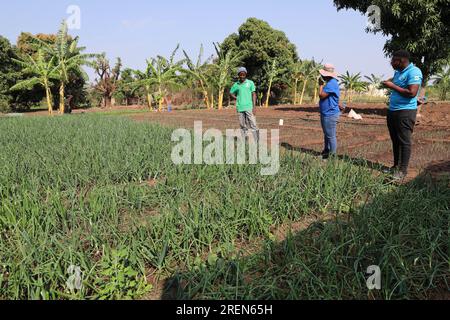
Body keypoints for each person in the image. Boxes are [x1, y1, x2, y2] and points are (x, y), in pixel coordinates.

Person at [382, 50, 423, 180]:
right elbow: (399, 85)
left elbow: (412, 92)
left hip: (405, 112)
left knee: (404, 141)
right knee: (395, 140)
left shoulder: (414, 71)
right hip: (393, 111)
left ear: (402, 60)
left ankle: (402, 171)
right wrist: (391, 82)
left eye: (394, 61)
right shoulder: (398, 72)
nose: (391, 63)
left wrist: (392, 86)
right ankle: (395, 166)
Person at [318, 63, 342, 160]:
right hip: (326, 112)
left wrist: (320, 85)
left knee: (331, 136)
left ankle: (332, 156)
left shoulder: (332, 83)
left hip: (330, 113)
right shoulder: (330, 82)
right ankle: (326, 152)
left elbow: (321, 95)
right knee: (327, 134)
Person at [230, 67, 259, 141]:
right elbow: (231, 92)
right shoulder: (236, 84)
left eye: (243, 74)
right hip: (240, 107)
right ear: (238, 75)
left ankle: (256, 140)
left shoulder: (250, 83)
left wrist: (254, 107)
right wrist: (236, 98)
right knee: (242, 125)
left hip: (249, 107)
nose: (242, 76)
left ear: (246, 74)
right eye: (240, 75)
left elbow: (253, 94)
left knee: (253, 123)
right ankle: (245, 139)